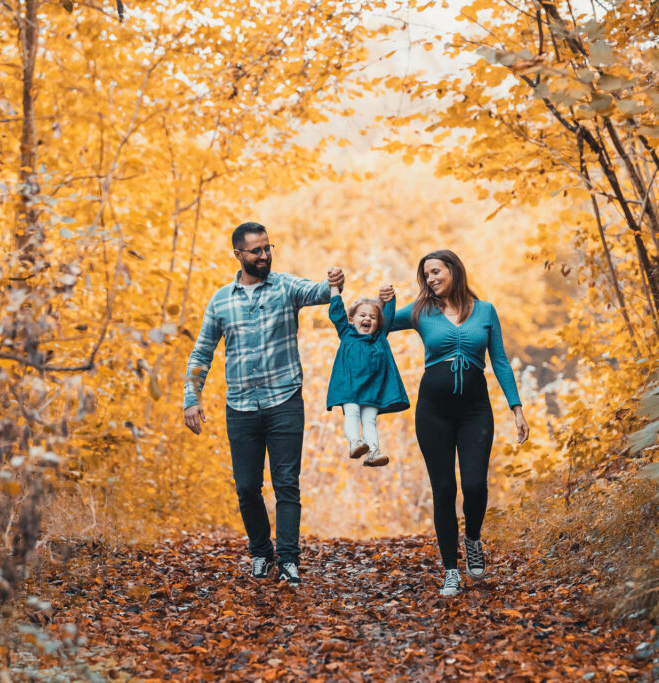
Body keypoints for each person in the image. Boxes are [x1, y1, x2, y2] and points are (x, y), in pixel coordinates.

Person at [182, 221, 344, 585]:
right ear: (238, 255)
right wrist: (191, 398)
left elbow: (319, 291)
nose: (264, 255)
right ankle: (260, 553)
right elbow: (201, 353)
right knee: (246, 486)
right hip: (240, 407)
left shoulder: (286, 286)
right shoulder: (221, 300)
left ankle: (288, 559)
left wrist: (334, 282)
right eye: (256, 251)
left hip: (284, 400)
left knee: (286, 482)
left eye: (268, 248)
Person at [385, 250, 530, 597]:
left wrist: (517, 408)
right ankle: (451, 568)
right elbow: (381, 325)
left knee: (476, 485)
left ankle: (473, 539)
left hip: (474, 411)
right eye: (426, 276)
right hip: (433, 412)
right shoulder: (421, 312)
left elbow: (499, 361)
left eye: (436, 272)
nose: (431, 279)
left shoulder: (485, 311)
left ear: (453, 269)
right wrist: (384, 303)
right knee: (444, 490)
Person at [325, 285, 409, 467]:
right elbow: (336, 310)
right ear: (351, 319)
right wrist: (334, 287)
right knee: (352, 413)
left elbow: (388, 314)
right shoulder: (346, 333)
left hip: (372, 390)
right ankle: (355, 442)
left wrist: (388, 297)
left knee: (370, 420)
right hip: (349, 387)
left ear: (378, 323)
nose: (367, 319)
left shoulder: (379, 337)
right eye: (362, 315)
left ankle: (373, 452)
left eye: (372, 317)